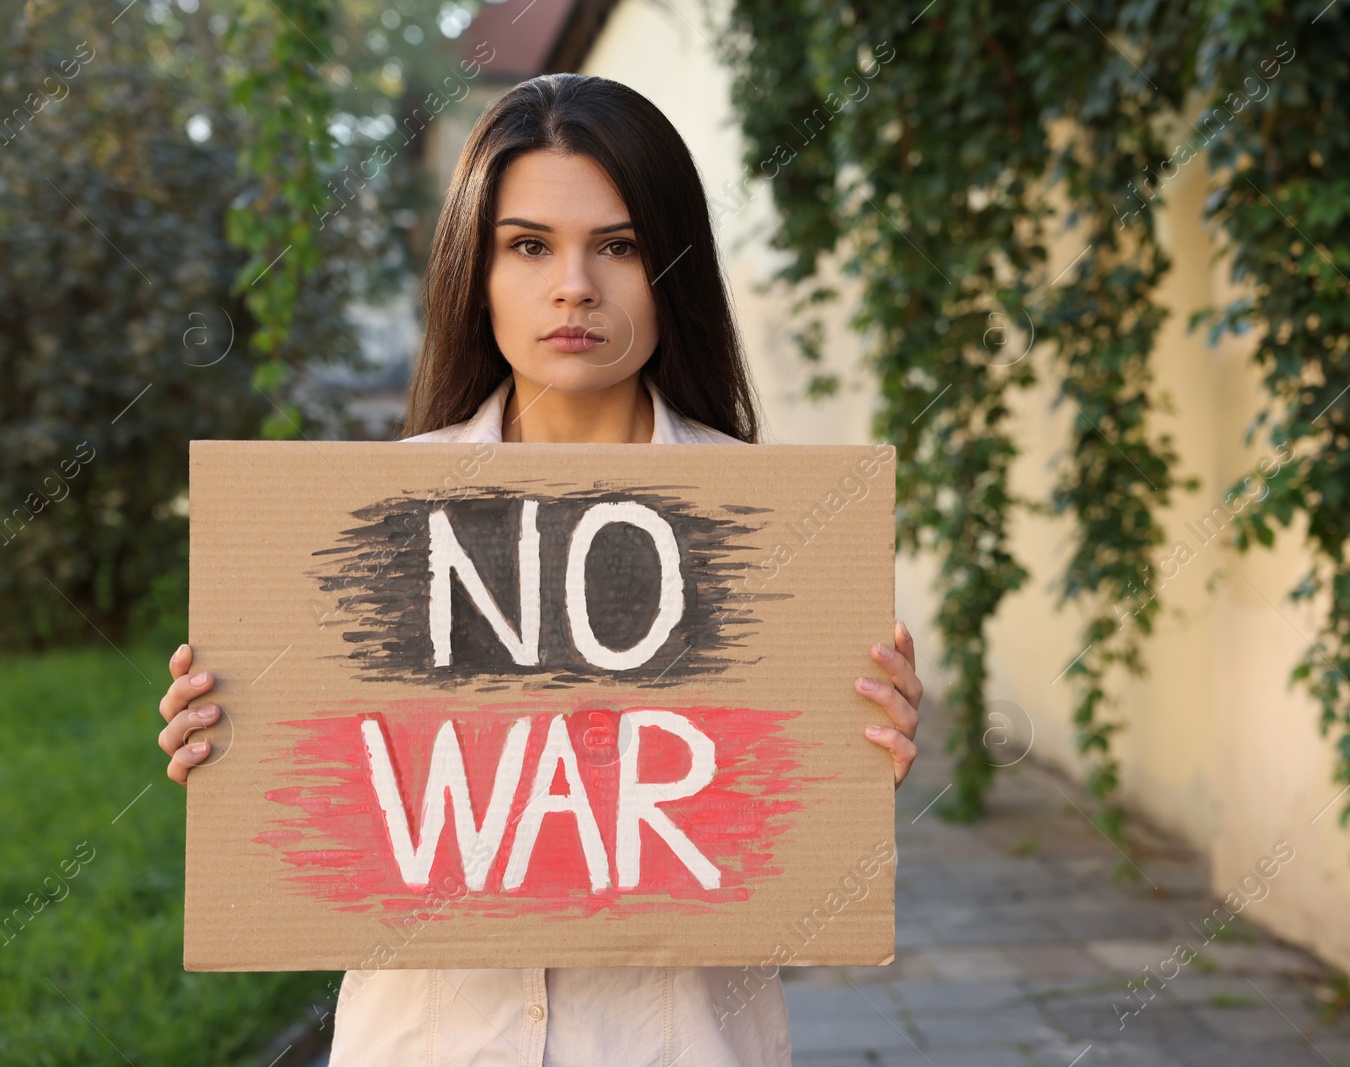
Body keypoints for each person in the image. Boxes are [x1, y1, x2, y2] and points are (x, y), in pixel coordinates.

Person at [154, 73, 922, 1067]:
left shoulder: (780, 535)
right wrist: (230, 737)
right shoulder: (361, 527)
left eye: (619, 245)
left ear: (671, 266)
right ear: (475, 269)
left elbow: (776, 850)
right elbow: (332, 816)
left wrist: (858, 755)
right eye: (528, 246)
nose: (574, 287)